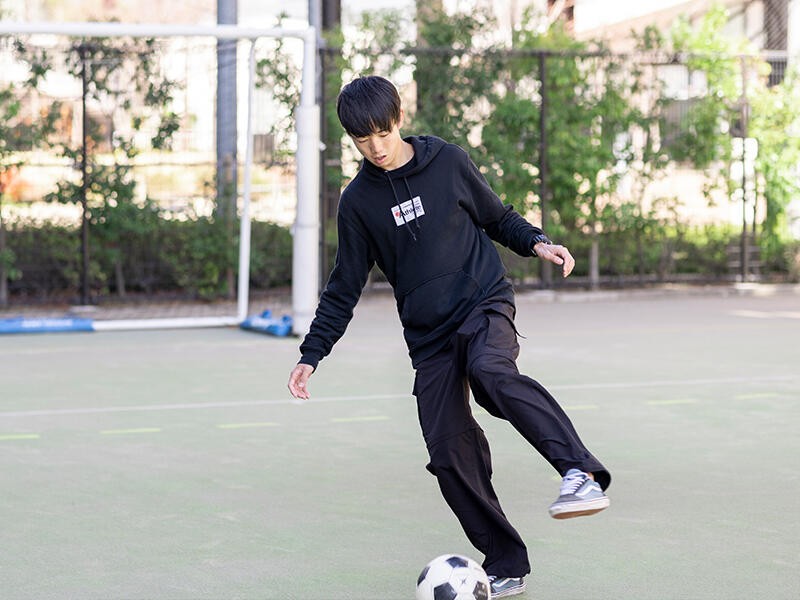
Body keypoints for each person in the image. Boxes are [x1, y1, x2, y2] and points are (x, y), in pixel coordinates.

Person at [287, 75, 610, 599]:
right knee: (447, 452)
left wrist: (537, 243)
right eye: (363, 140)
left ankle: (579, 472)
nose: (376, 148)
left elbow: (497, 217)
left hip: (483, 302)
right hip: (430, 338)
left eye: (383, 133)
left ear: (399, 119)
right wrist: (312, 354)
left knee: (490, 373)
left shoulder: (448, 162)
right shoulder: (358, 203)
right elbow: (344, 286)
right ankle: (506, 564)